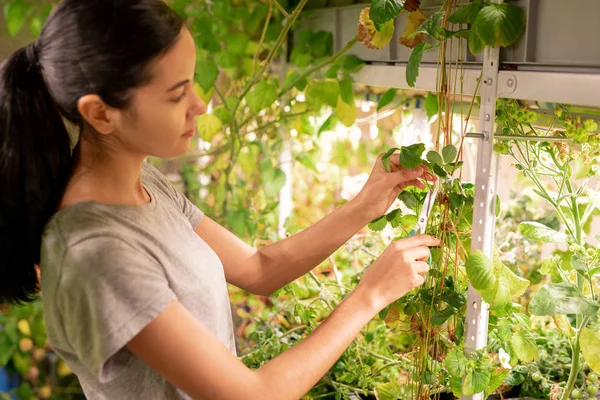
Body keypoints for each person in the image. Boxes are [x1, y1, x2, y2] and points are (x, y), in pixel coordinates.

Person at [0, 1, 440, 399]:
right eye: (177, 94)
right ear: (100, 113)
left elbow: (258, 268)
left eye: (192, 82)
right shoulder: (96, 253)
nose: (201, 104)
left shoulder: (144, 182)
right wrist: (370, 296)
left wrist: (365, 205)